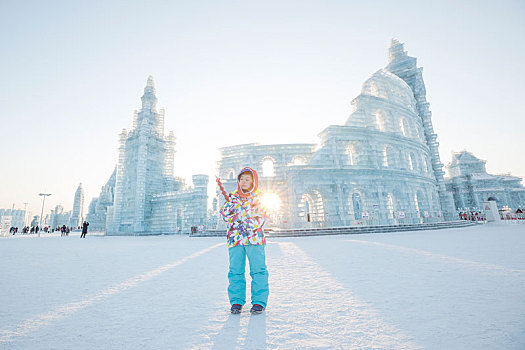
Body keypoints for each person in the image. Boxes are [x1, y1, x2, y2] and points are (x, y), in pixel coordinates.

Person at [219, 167, 269, 314]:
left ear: (253, 181)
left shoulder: (259, 198)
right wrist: (230, 208)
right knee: (235, 271)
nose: (244, 182)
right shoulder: (232, 198)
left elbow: (261, 218)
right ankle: (236, 301)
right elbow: (225, 216)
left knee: (258, 270)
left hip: (254, 239)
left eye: (247, 179)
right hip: (235, 240)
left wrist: (243, 226)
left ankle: (259, 302)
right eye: (241, 179)